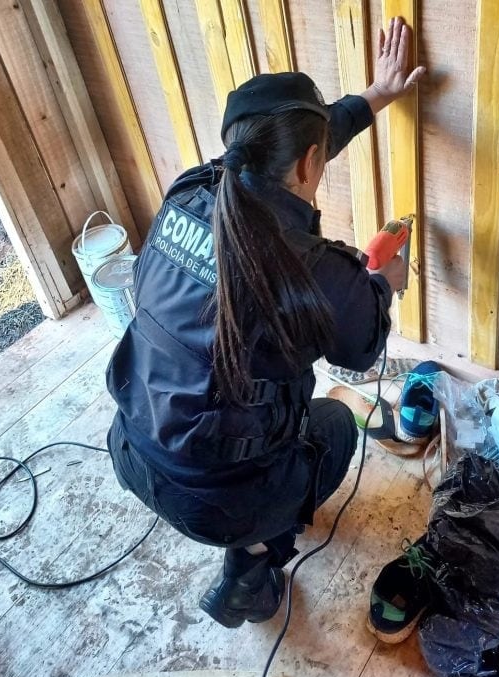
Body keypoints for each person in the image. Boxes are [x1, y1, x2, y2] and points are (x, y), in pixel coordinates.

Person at [106, 17, 425, 629]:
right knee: (334, 423)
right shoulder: (316, 272)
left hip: (133, 447)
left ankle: (244, 531)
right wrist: (385, 284)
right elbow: (362, 349)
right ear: (310, 162)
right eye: (320, 154)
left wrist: (377, 96)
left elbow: (302, 144)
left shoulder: (191, 190)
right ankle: (252, 565)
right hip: (214, 501)